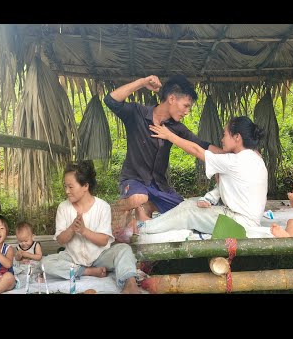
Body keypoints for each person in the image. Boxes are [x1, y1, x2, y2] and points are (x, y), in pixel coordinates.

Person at [103, 74, 222, 224]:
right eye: (186, 106)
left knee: (186, 212)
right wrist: (142, 82)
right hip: (134, 180)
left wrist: (237, 154)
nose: (187, 112)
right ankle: (117, 208)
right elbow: (110, 100)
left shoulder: (176, 128)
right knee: (139, 198)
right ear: (172, 99)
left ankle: (146, 207)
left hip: (160, 186)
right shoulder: (137, 113)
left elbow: (202, 146)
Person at [134, 116, 268, 235]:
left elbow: (197, 151)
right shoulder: (251, 158)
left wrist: (169, 136)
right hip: (242, 220)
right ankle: (150, 224)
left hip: (240, 225)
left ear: (237, 137)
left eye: (225, 134)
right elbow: (228, 188)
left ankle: (143, 228)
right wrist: (209, 199)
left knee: (188, 213)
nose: (222, 139)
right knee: (189, 205)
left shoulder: (237, 160)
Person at [42, 160, 140, 294]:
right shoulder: (63, 208)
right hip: (73, 259)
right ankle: (87, 271)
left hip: (100, 258)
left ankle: (130, 284)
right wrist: (71, 228)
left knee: (123, 249)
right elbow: (60, 240)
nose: (67, 191)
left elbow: (104, 240)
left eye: (71, 187)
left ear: (85, 186)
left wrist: (83, 231)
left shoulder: (102, 207)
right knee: (46, 263)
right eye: (65, 186)